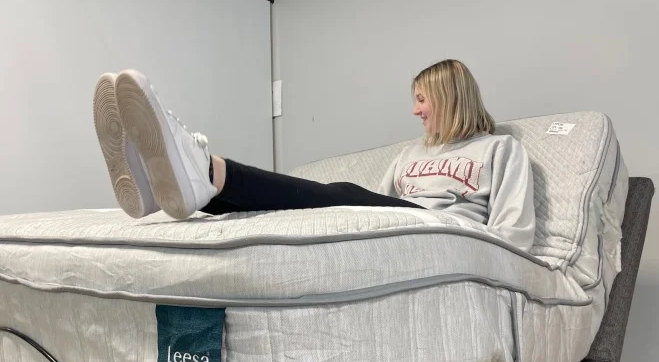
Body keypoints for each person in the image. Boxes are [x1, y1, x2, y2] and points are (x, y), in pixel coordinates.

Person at [92, 59, 535, 250]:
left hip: (444, 232)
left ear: (451, 97)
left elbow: (514, 236)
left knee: (340, 193)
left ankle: (204, 168)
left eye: (423, 99)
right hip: (403, 223)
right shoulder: (410, 153)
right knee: (322, 205)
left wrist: (467, 242)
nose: (415, 110)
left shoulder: (499, 149)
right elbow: (375, 208)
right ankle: (177, 187)